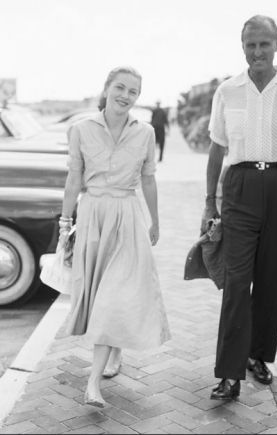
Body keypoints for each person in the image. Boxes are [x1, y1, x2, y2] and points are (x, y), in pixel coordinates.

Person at [201, 15, 277, 400]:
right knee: (237, 282)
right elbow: (217, 149)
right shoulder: (227, 91)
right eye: (251, 44)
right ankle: (229, 374)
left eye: (264, 44)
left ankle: (259, 357)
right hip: (239, 187)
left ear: (276, 46)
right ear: (243, 46)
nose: (257, 51)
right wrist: (210, 201)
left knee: (273, 279)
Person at [58, 66, 170, 408]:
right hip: (93, 215)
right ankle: (114, 351)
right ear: (106, 89)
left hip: (127, 216)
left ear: (138, 97)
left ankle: (92, 384)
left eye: (133, 91)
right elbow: (74, 178)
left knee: (114, 294)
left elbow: (148, 179)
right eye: (120, 87)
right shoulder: (80, 129)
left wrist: (155, 221)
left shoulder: (146, 132)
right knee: (103, 291)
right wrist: (65, 224)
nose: (125, 95)